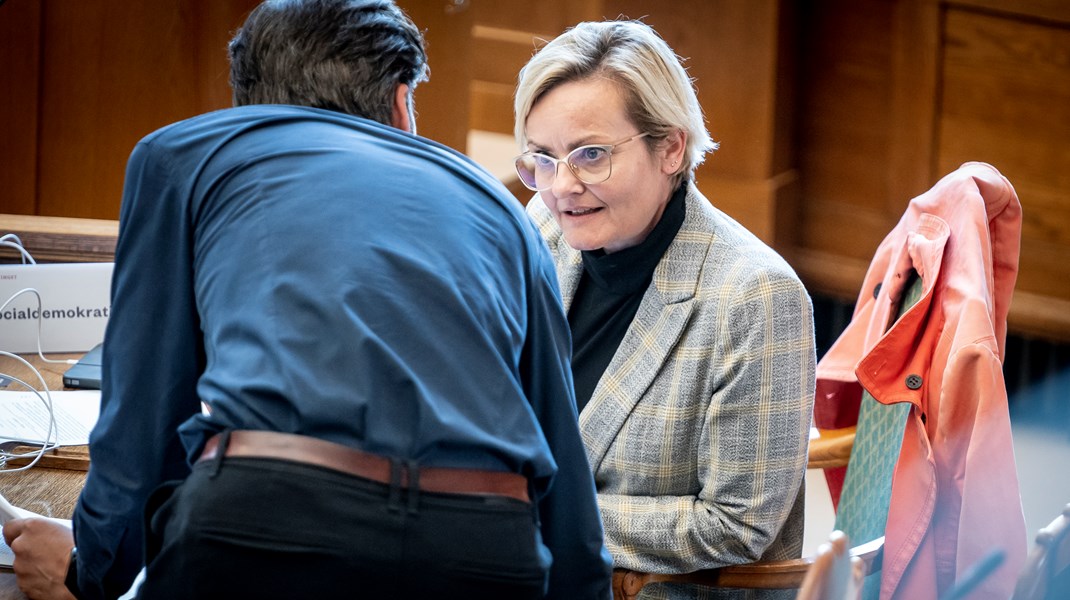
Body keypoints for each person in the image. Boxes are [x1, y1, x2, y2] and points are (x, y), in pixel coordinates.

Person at [2, 1, 612, 599]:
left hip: (261, 522)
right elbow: (564, 478)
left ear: (245, 106)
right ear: (403, 103)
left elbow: (146, 415)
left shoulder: (185, 153)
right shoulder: (502, 207)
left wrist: (91, 570)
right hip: (486, 548)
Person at [513, 20, 815, 598]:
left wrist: (536, 510)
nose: (561, 186)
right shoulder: (544, 227)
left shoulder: (754, 296)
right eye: (543, 159)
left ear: (671, 147)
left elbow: (738, 524)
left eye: (591, 155)